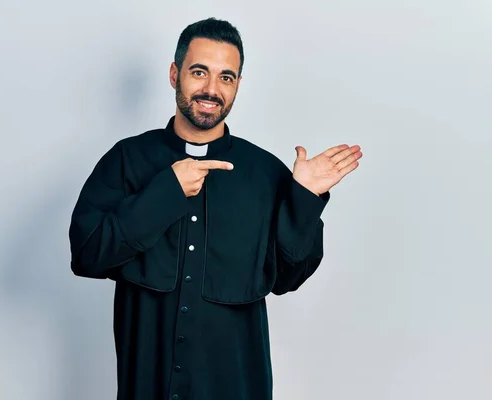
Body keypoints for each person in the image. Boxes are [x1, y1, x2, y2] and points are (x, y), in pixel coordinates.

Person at [69, 17, 362, 400]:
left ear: (238, 85)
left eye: (226, 77)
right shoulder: (126, 160)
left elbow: (288, 278)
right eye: (199, 72)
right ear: (175, 75)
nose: (211, 89)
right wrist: (165, 193)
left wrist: (303, 197)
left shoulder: (265, 173)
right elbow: (87, 256)